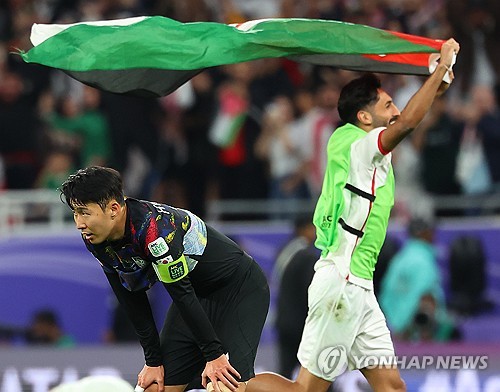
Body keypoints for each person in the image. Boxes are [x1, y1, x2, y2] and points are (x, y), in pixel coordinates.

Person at [246, 38, 460, 392]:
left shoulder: (351, 142)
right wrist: (438, 69)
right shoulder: (361, 147)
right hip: (342, 284)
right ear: (364, 116)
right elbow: (407, 123)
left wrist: (440, 77)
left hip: (359, 286)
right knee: (306, 390)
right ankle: (221, 386)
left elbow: (409, 117)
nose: (395, 111)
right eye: (388, 105)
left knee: (391, 386)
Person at [59, 166, 270, 392]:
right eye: (75, 213)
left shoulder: (155, 231)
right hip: (195, 296)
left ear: (113, 208)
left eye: (84, 212)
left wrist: (214, 355)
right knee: (154, 388)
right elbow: (130, 296)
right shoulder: (95, 238)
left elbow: (181, 293)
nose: (79, 223)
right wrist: (153, 361)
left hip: (239, 289)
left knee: (225, 386)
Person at [380, 217, 460, 342]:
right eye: (430, 231)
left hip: (393, 328)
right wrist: (405, 325)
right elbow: (425, 296)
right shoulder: (423, 261)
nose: (434, 234)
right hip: (414, 334)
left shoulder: (399, 259)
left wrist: (394, 324)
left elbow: (386, 295)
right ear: (422, 233)